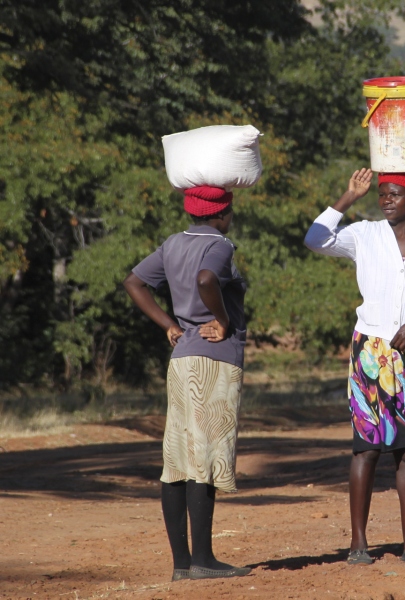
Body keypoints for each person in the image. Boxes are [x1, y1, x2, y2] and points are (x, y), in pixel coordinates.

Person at [304, 168, 405, 565]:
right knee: (367, 449)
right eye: (383, 194)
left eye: (395, 194)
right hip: (371, 354)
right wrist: (347, 197)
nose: (387, 200)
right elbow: (315, 240)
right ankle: (358, 545)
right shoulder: (365, 235)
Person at [123, 184, 251, 581]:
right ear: (222, 213)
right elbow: (207, 278)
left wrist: (170, 325)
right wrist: (224, 320)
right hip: (214, 359)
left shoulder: (173, 243)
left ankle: (182, 563)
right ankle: (204, 559)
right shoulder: (221, 245)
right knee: (206, 456)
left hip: (181, 361)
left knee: (177, 459)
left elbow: (134, 283)